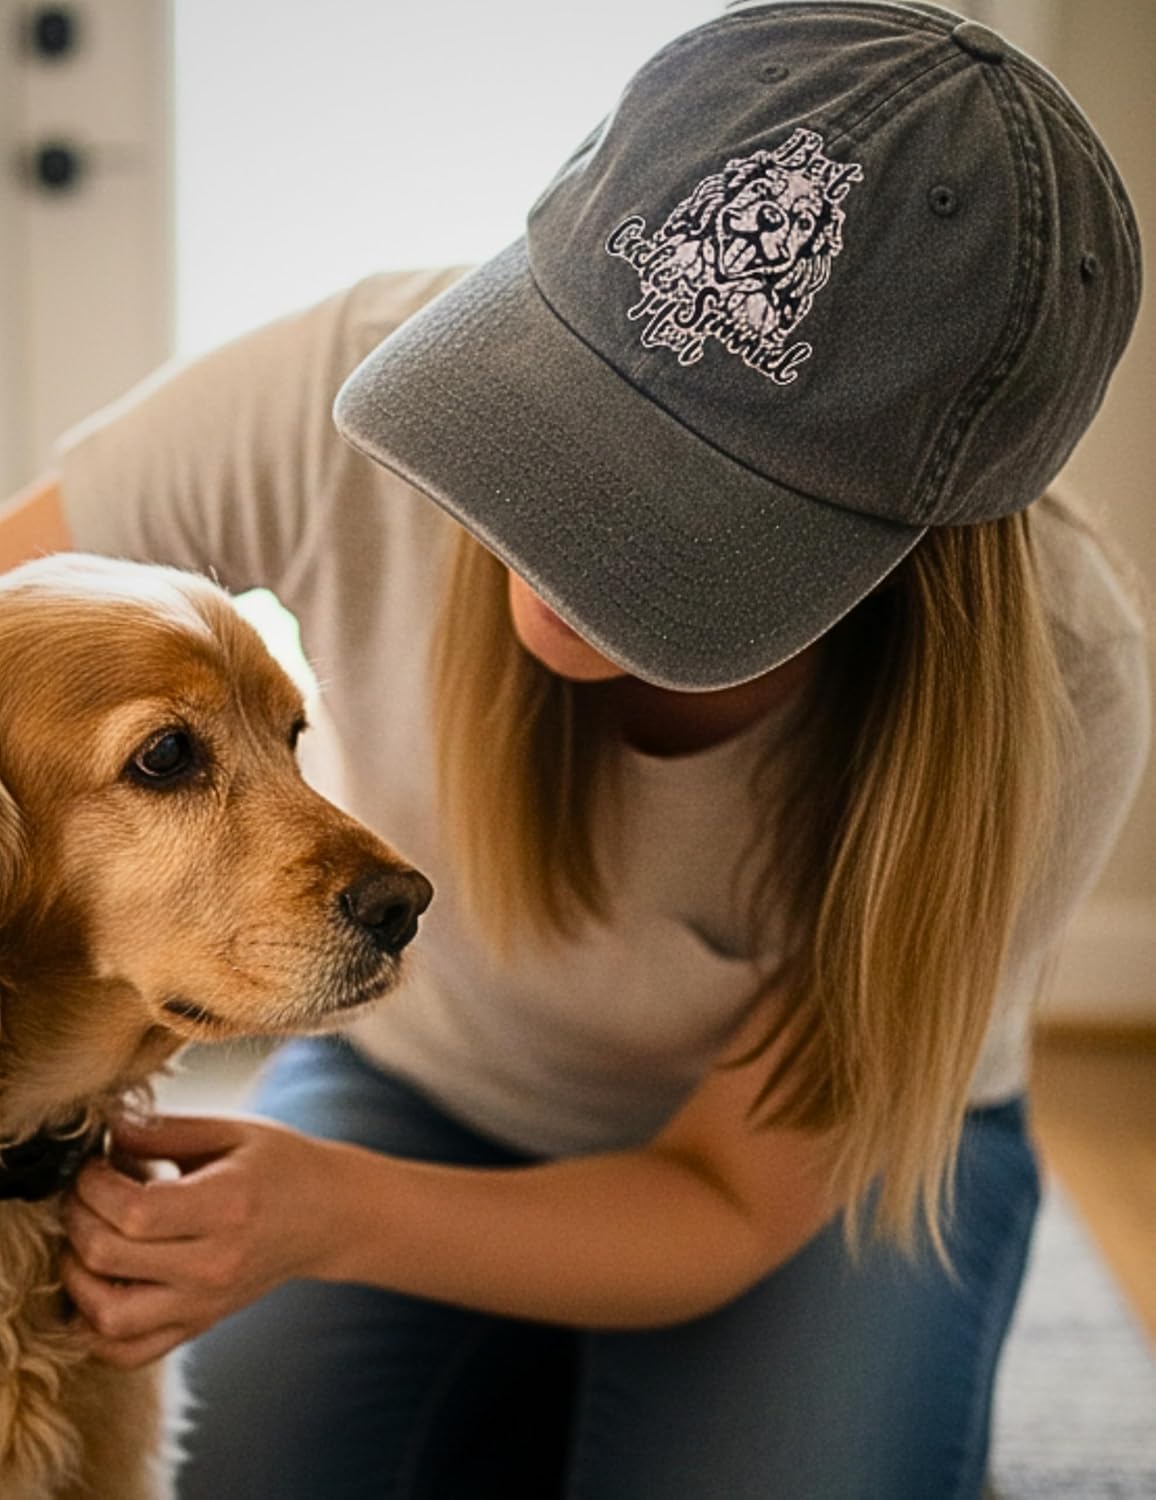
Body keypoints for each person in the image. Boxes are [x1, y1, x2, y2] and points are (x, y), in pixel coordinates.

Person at [1, 2, 1150, 1496]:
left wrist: (341, 1221)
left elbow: (735, 1194)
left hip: (809, 1179)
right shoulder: (322, 389)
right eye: (568, 410)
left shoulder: (1054, 679)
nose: (564, 523)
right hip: (422, 1083)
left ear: (907, 540)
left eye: (691, 485)